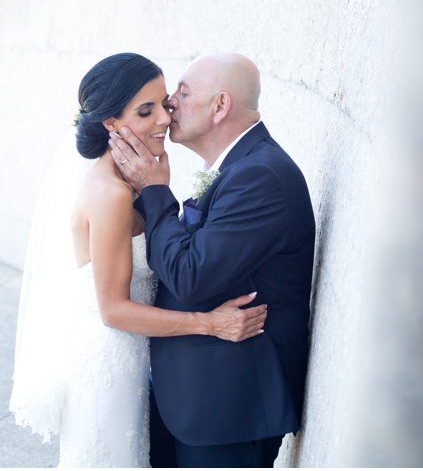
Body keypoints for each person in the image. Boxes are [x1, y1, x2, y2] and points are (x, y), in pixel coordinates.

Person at [8, 53, 267, 467]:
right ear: (111, 123)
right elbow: (113, 310)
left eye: (163, 104)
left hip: (131, 363)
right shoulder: (110, 195)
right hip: (107, 370)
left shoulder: (132, 183)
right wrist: (209, 323)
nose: (164, 118)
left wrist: (156, 189)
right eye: (146, 111)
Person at [108, 53, 315, 468]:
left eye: (183, 93)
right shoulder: (238, 167)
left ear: (220, 106)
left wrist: (155, 190)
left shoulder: (261, 176)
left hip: (230, 409)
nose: (170, 103)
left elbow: (190, 276)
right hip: (194, 396)